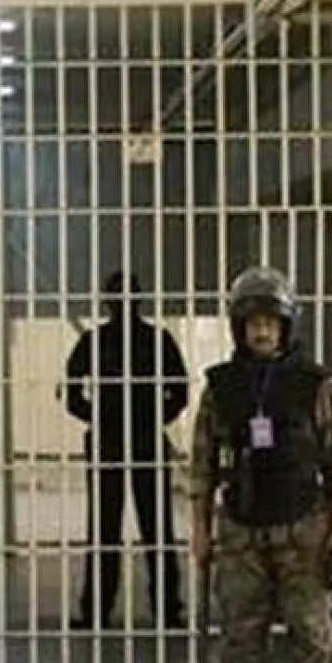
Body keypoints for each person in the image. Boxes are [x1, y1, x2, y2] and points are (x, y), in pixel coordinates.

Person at [188, 266, 332, 663]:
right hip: (241, 526)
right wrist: (199, 531)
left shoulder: (315, 385)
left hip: (303, 524)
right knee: (241, 635)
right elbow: (202, 464)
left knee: (313, 634)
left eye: (271, 322)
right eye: (252, 322)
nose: (262, 331)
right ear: (238, 327)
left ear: (287, 326)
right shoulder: (221, 389)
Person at [63, 270, 189, 631]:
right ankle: (162, 611)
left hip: (122, 440)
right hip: (126, 440)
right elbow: (178, 393)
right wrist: (148, 417)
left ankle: (101, 612)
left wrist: (100, 417)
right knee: (144, 529)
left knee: (123, 530)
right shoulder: (151, 340)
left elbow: (72, 393)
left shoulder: (101, 341)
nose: (122, 303)